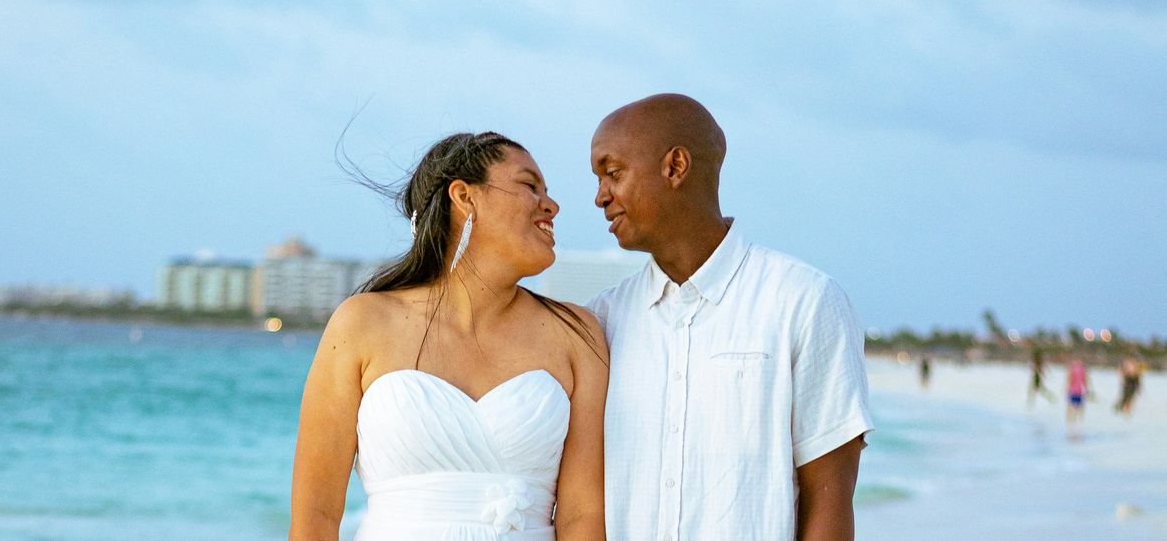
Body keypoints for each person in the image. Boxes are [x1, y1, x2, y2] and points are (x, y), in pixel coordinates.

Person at [290, 132, 609, 540]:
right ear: (465, 197)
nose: (552, 205)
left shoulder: (577, 336)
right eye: (530, 185)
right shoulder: (361, 323)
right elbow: (314, 518)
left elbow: (582, 517)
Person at [587, 94, 874, 541]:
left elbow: (830, 506)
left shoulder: (805, 302)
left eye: (612, 173)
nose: (600, 196)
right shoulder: (600, 322)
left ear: (675, 167)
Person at [1066, 357, 1090, 425]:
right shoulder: (1082, 369)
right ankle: (1076, 421)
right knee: (1078, 407)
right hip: (1077, 390)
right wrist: (1087, 390)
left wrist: (1067, 388)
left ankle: (1072, 421)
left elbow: (1069, 379)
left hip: (1074, 390)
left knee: (1072, 406)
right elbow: (1085, 381)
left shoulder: (1073, 369)